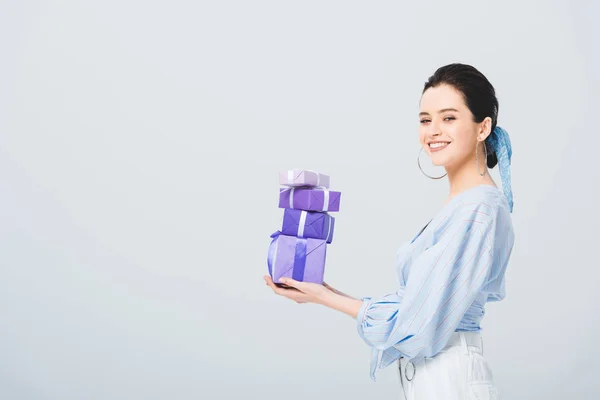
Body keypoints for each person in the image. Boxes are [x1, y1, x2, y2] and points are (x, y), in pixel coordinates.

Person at [264, 63, 515, 400]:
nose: (433, 130)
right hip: (437, 377)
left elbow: (417, 328)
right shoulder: (463, 206)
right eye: (426, 120)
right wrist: (326, 292)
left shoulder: (476, 211)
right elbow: (416, 308)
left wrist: (325, 298)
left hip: (449, 381)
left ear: (482, 127)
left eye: (449, 118)